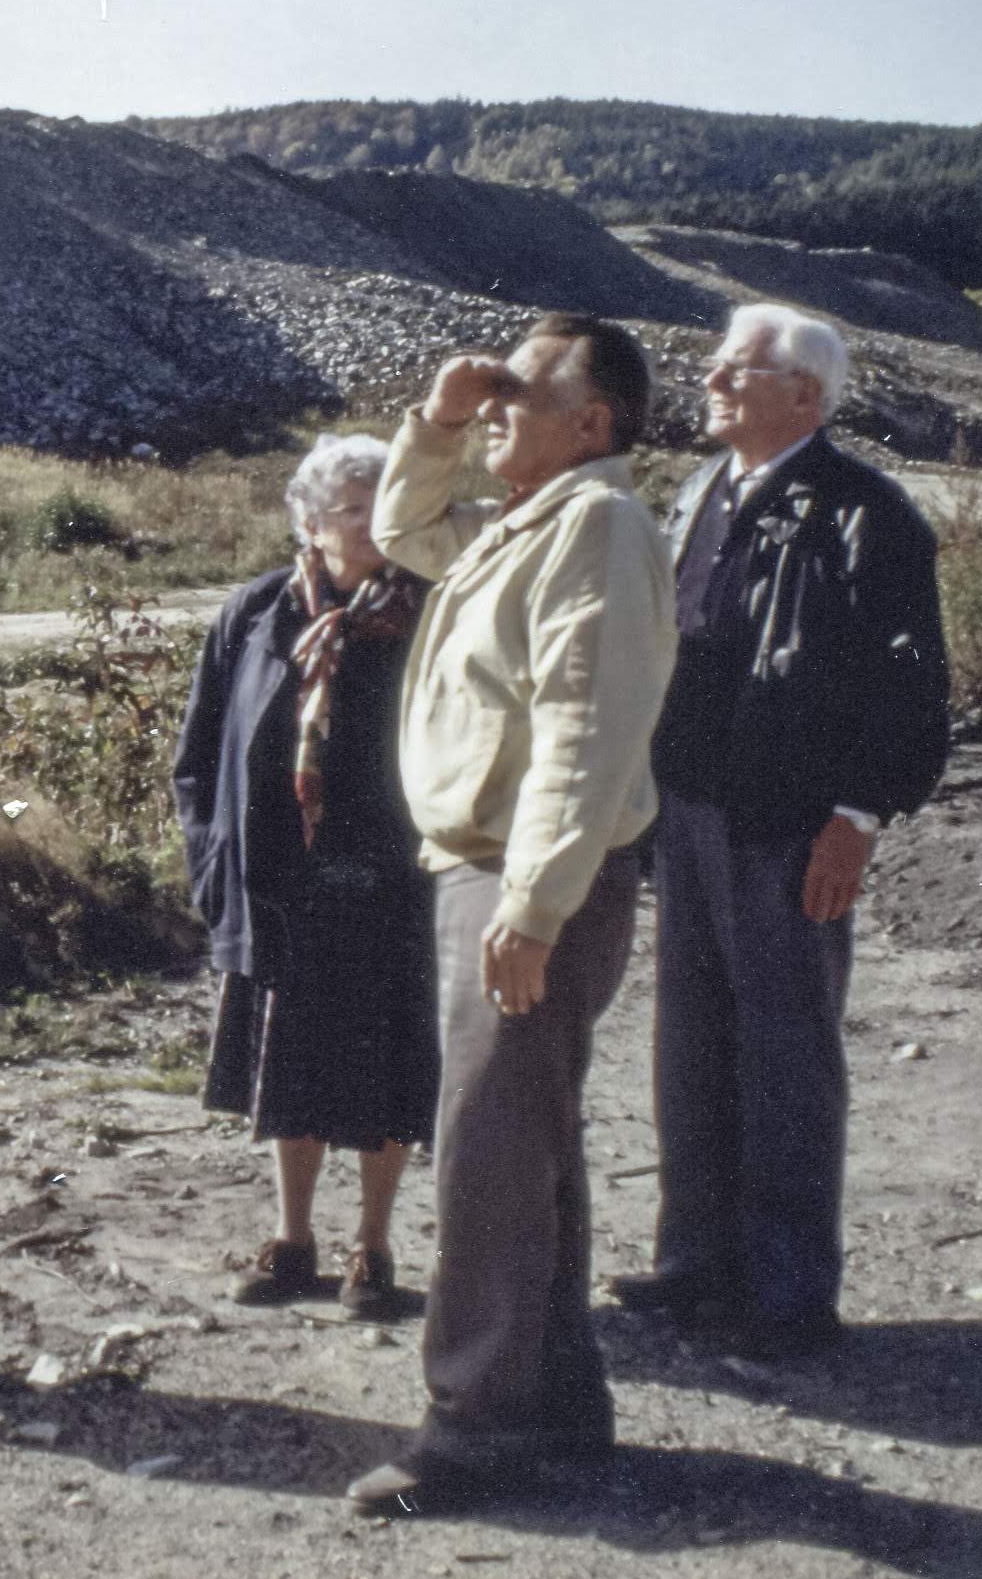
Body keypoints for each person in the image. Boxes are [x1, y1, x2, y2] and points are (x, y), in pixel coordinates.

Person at [346, 313, 677, 1512]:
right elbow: (400, 528)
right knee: (527, 1138)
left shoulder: (597, 522)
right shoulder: (529, 521)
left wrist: (534, 901)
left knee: (487, 1145)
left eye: (519, 388)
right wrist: (439, 418)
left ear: (591, 421)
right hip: (491, 870)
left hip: (526, 876)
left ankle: (472, 1424)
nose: (494, 401)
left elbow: (588, 726)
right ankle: (556, 1399)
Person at [614, 304, 950, 1361]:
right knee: (690, 1046)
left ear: (805, 393)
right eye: (714, 358)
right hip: (689, 812)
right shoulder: (695, 494)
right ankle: (695, 1262)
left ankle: (789, 1289)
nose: (709, 374)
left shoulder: (865, 513)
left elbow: (909, 683)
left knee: (786, 1057)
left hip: (789, 822)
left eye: (737, 365)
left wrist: (856, 814)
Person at [173, 433, 440, 1322]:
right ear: (310, 521)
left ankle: (374, 1243)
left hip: (395, 878)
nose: (372, 523)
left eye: (385, 503)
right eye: (353, 507)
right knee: (288, 1065)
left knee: (387, 1067)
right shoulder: (256, 612)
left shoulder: (429, 610)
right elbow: (198, 753)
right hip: (281, 882)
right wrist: (215, 867)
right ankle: (292, 1239)